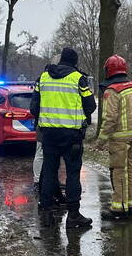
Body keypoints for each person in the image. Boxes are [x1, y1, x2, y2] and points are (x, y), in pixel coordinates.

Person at [30, 47, 95, 228]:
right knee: (73, 174)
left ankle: (47, 212)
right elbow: (91, 106)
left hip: (49, 134)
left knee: (49, 171)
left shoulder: (43, 78)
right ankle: (73, 215)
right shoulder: (78, 79)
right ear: (75, 62)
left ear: (60, 61)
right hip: (72, 136)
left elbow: (33, 108)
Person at [97, 55, 132, 220]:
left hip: (119, 139)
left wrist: (101, 140)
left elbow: (110, 119)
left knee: (119, 172)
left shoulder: (111, 91)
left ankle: (120, 208)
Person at [34, 54, 68, 205]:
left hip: (44, 127)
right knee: (50, 162)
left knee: (45, 159)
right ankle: (51, 193)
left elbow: (34, 107)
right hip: (61, 129)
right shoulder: (63, 80)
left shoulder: (42, 80)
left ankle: (47, 196)